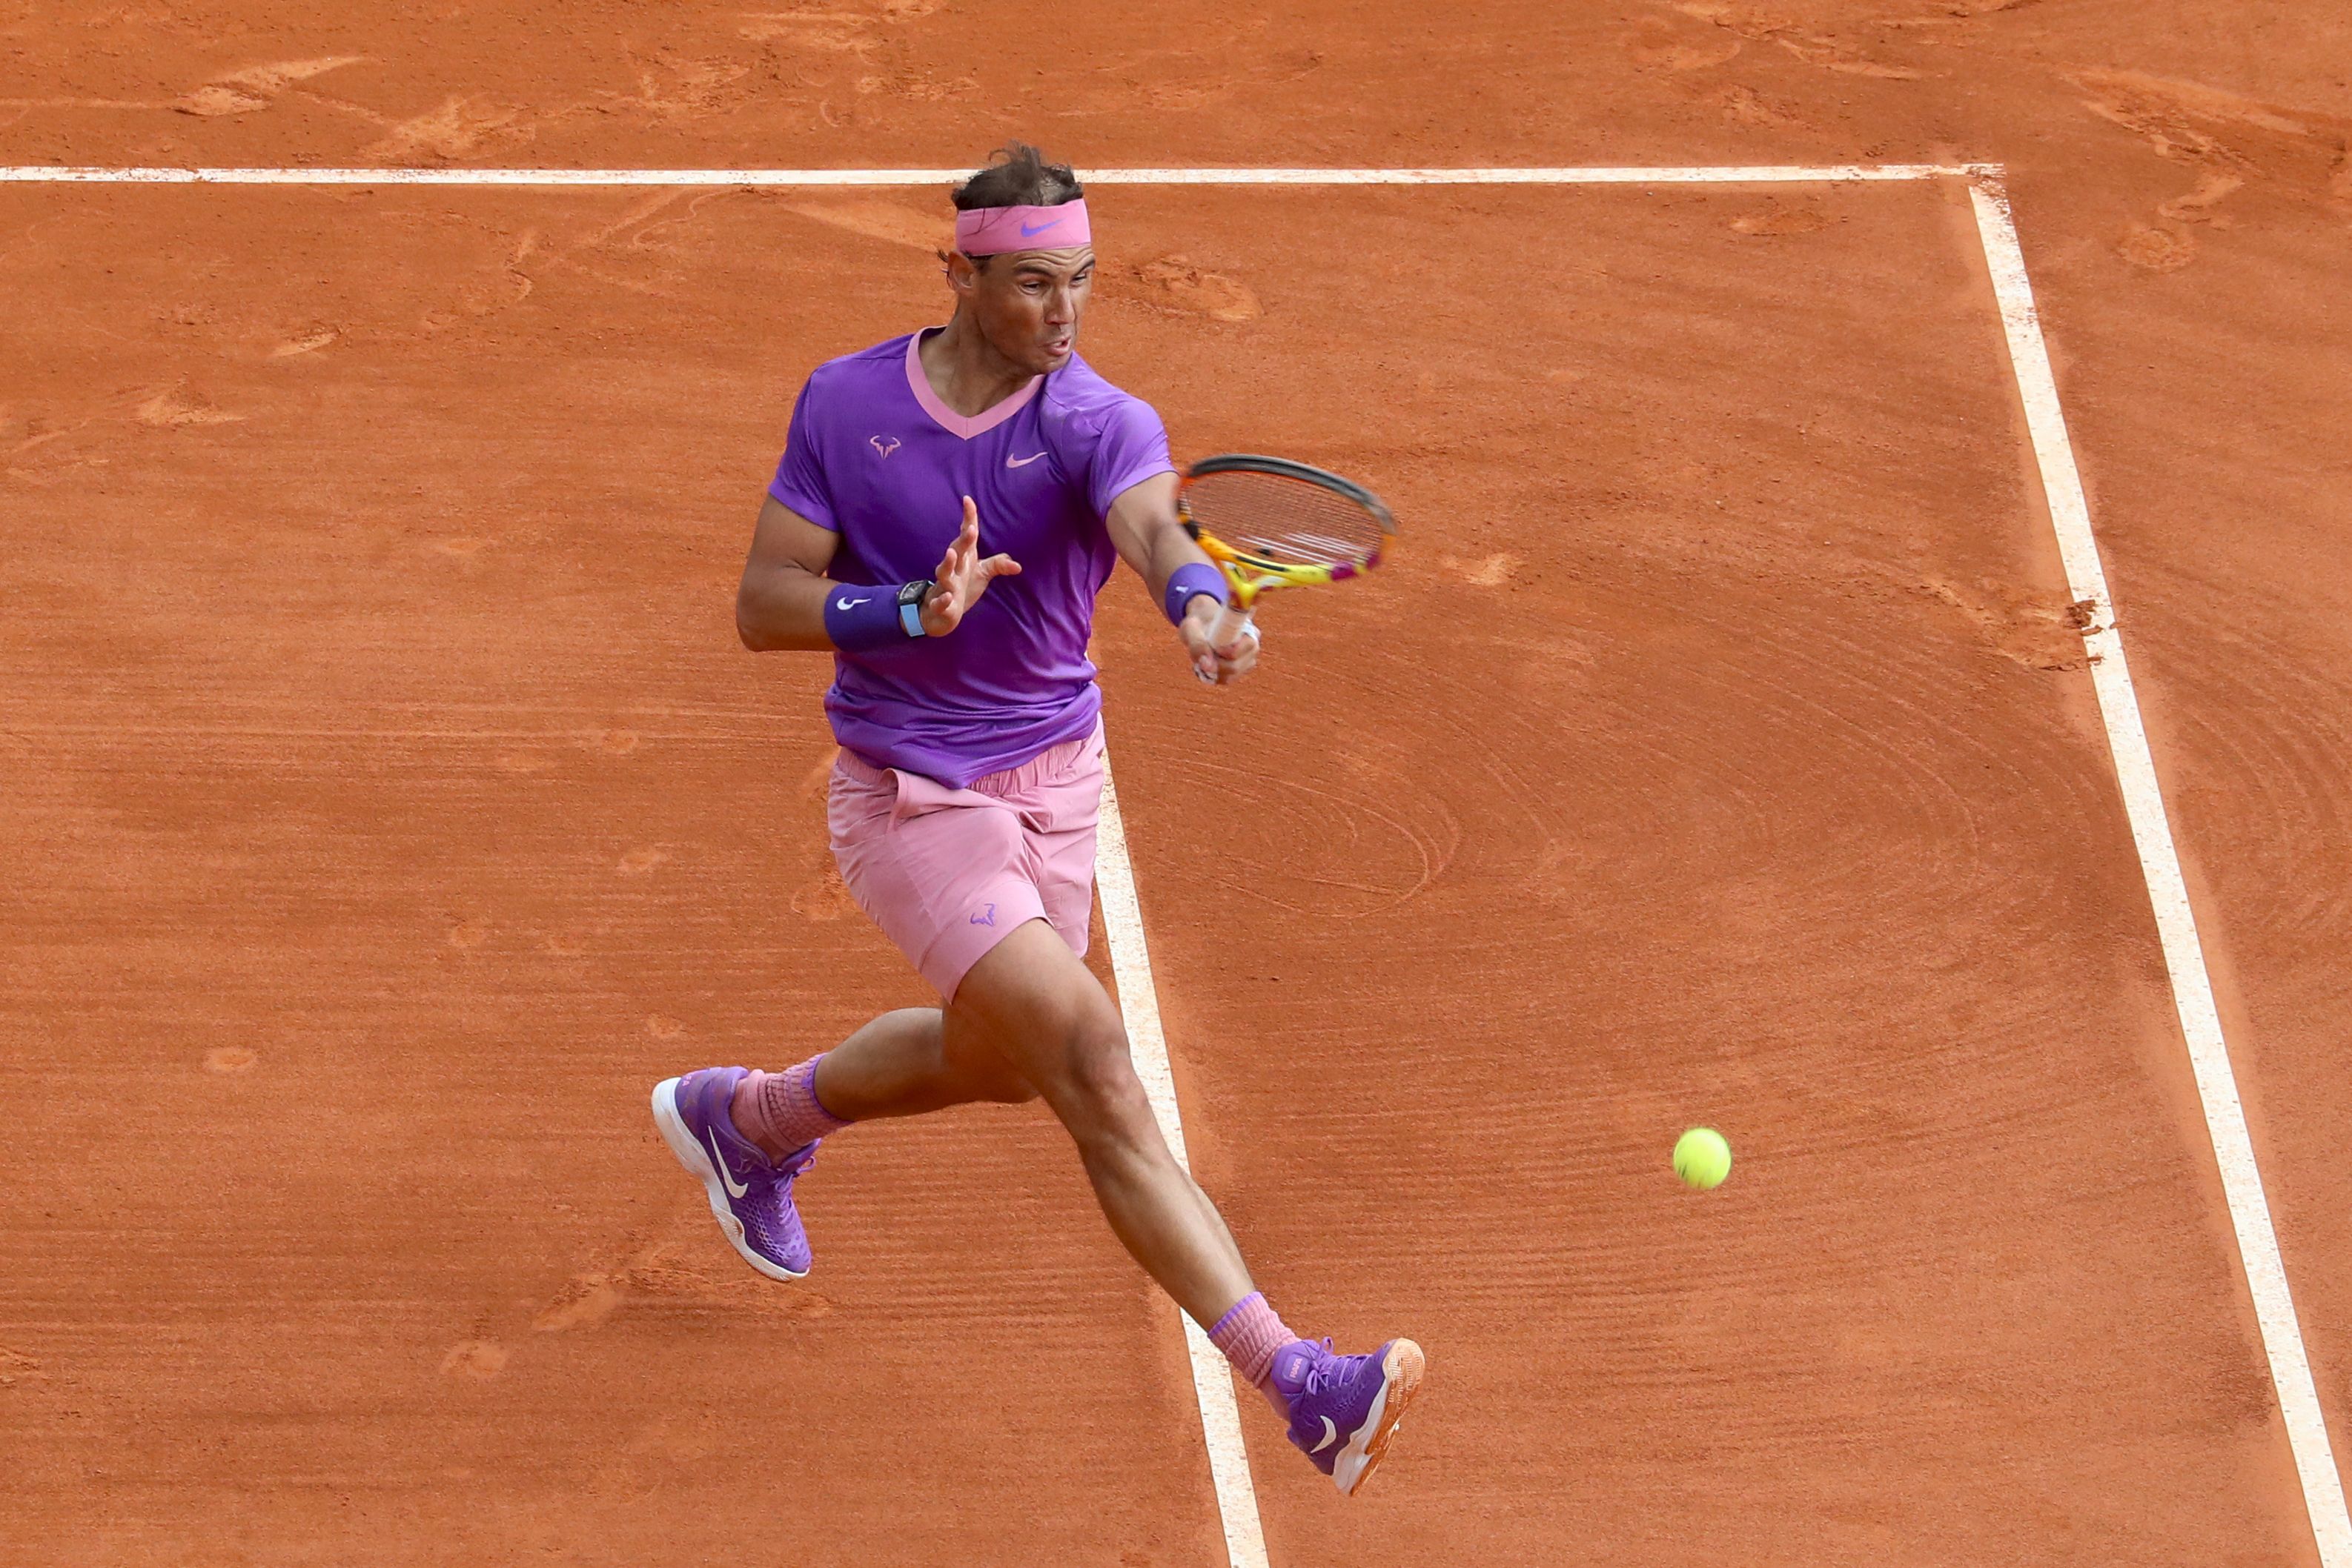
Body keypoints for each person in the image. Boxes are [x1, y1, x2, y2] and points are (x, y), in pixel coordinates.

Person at [649, 142, 1422, 1495]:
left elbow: (1157, 535)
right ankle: (1299, 1381)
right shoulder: (844, 408)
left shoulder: (1096, 419)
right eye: (1028, 286)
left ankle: (752, 1120)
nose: (1061, 316)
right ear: (954, 273)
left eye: (1078, 285)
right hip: (908, 795)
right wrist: (902, 610)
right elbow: (761, 602)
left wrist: (1197, 609)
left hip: (1056, 789)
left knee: (1001, 1061)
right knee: (1091, 1062)